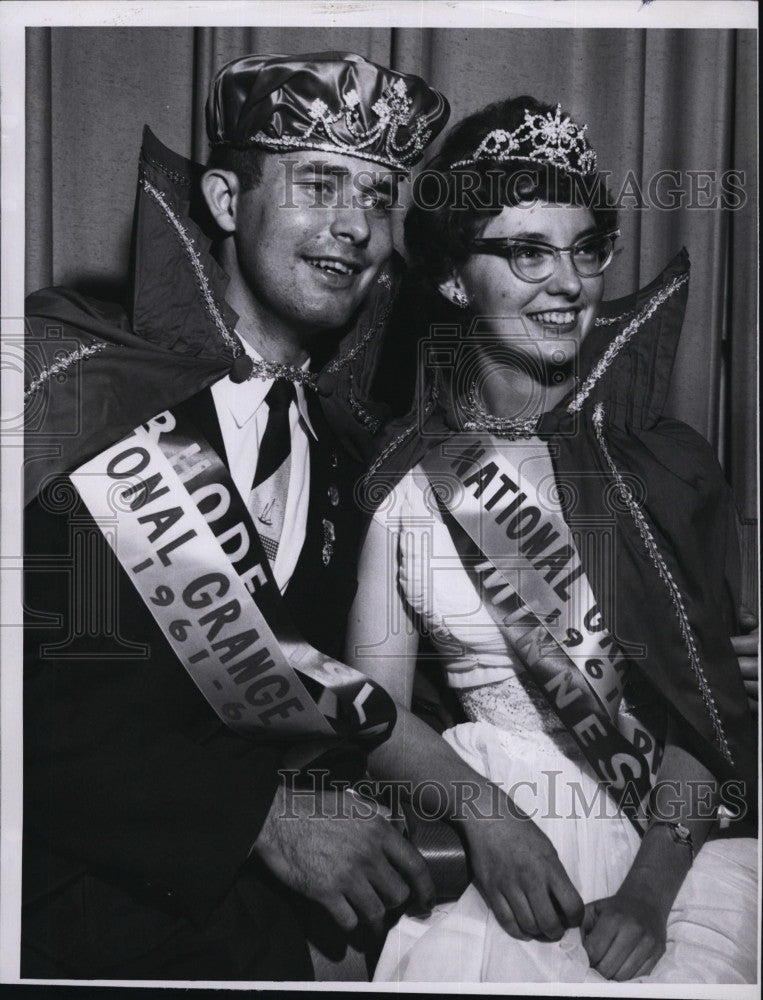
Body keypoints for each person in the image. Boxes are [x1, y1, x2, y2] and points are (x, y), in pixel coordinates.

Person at [21, 51, 450, 980]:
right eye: (319, 183)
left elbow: (343, 689)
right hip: (58, 931)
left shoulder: (348, 449)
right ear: (223, 198)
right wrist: (252, 814)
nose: (355, 228)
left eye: (379, 198)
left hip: (258, 946)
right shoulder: (62, 377)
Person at [347, 96, 758, 983]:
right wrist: (489, 819)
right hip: (502, 810)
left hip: (677, 833)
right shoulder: (409, 483)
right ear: (456, 280)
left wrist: (648, 893)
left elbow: (710, 712)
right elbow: (375, 716)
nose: (567, 283)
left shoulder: (661, 464)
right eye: (526, 251)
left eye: (585, 249)